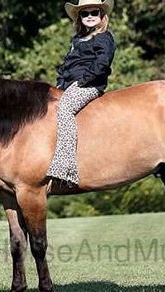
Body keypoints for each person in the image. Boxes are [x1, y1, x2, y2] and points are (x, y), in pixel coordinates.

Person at [47, 0, 116, 187]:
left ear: (102, 15)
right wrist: (60, 85)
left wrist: (82, 81)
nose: (90, 16)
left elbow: (102, 63)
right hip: (68, 85)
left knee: (66, 108)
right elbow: (67, 66)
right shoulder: (77, 39)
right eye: (85, 14)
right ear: (80, 18)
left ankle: (66, 166)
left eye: (94, 12)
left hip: (89, 84)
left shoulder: (104, 37)